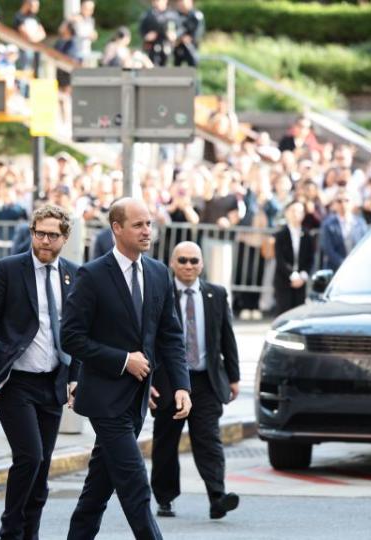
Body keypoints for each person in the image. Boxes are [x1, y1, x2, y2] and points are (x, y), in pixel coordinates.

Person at [62, 198, 192, 540]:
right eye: (138, 225)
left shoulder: (159, 273)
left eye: (149, 224)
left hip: (136, 401)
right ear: (116, 228)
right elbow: (71, 338)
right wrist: (123, 360)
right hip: (104, 398)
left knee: (98, 488)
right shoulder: (91, 275)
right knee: (135, 483)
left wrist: (181, 385)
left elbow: (170, 336)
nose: (147, 231)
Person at [0, 205, 82, 540]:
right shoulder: (8, 269)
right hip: (14, 381)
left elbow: (79, 332)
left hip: (53, 382)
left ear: (65, 238)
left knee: (43, 466)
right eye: (39, 233)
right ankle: (11, 530)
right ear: (32, 232)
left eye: (52, 235)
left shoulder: (74, 275)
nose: (45, 241)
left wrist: (75, 377)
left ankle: (29, 533)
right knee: (29, 457)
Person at [150, 241, 240, 520]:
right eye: (183, 260)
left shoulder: (216, 294)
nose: (188, 266)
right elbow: (149, 340)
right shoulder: (161, 294)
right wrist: (149, 380)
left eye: (193, 261)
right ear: (172, 264)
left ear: (202, 264)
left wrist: (234, 377)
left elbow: (227, 336)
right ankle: (165, 498)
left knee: (209, 439)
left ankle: (217, 496)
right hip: (169, 381)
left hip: (205, 381)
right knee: (166, 441)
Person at [273, 201, 314, 316]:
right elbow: (280, 258)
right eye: (293, 211)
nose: (296, 214)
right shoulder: (281, 235)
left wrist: (303, 275)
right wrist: (292, 275)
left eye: (299, 211)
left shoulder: (307, 235)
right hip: (284, 280)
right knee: (284, 313)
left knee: (298, 314)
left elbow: (310, 258)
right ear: (287, 213)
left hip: (301, 282)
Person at [319, 193, 368, 272]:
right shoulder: (328, 225)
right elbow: (328, 249)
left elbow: (365, 246)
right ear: (334, 205)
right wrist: (344, 264)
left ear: (352, 203)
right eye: (339, 201)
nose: (343, 204)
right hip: (337, 270)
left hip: (358, 268)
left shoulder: (360, 222)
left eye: (346, 200)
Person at [140, 0, 178, 67]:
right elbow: (142, 29)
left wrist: (175, 34)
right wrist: (146, 36)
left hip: (167, 45)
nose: (156, 3)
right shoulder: (148, 15)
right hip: (152, 46)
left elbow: (179, 28)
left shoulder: (172, 15)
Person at [173, 0, 204, 68]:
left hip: (191, 47)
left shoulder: (196, 15)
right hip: (178, 47)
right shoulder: (176, 15)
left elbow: (198, 31)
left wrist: (191, 38)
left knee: (192, 67)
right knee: (177, 69)